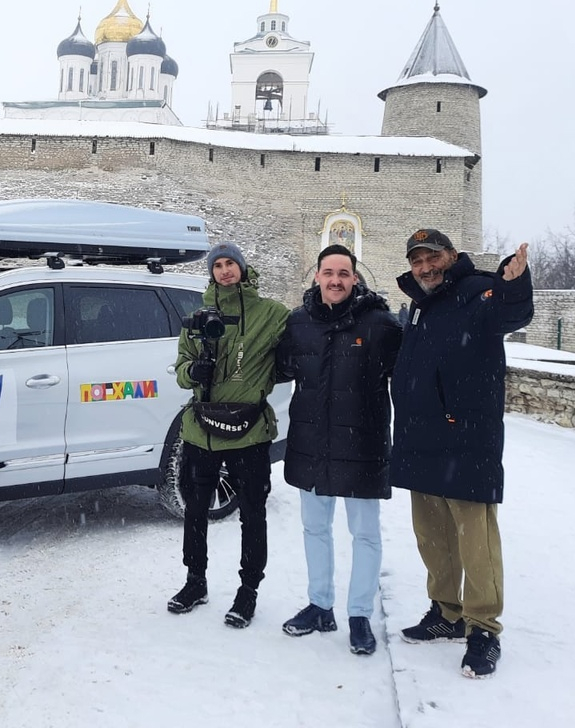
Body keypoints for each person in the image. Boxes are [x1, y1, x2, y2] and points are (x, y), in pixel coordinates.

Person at [391, 228, 532, 679]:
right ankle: (446, 612)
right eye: (418, 261)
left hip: (465, 438)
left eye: (433, 257)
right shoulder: (421, 304)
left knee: (476, 539)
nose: (426, 267)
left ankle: (483, 629)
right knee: (432, 537)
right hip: (420, 437)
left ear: (452, 256)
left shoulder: (478, 292)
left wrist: (514, 283)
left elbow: (510, 313)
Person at [274, 245, 401, 655]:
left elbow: (409, 375)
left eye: (343, 273)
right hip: (312, 445)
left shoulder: (380, 324)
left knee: (364, 533)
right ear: (316, 276)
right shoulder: (298, 323)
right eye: (328, 272)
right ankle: (320, 605)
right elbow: (274, 367)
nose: (335, 280)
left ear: (355, 277)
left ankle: (360, 614)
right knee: (315, 528)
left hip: (362, 446)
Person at [167, 242, 290, 628]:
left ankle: (248, 590)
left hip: (249, 432)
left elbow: (295, 350)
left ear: (242, 267)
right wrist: (193, 373)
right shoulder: (197, 317)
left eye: (230, 263)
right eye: (217, 265)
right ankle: (195, 581)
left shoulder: (271, 314)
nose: (224, 271)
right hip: (200, 429)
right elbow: (181, 365)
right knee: (196, 511)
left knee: (253, 515)